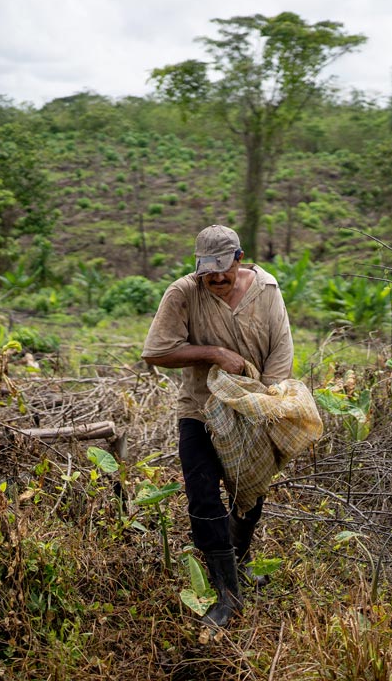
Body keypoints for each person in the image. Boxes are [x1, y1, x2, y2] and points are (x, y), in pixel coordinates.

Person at [141, 225, 294, 628]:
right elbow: (155, 351)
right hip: (200, 409)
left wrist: (271, 397)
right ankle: (227, 596)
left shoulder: (266, 290)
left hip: (253, 407)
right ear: (198, 268)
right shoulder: (182, 293)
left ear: (239, 259)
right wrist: (213, 353)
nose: (217, 279)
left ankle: (238, 568)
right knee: (203, 496)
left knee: (251, 492)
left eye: (224, 269)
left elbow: (281, 346)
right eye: (208, 272)